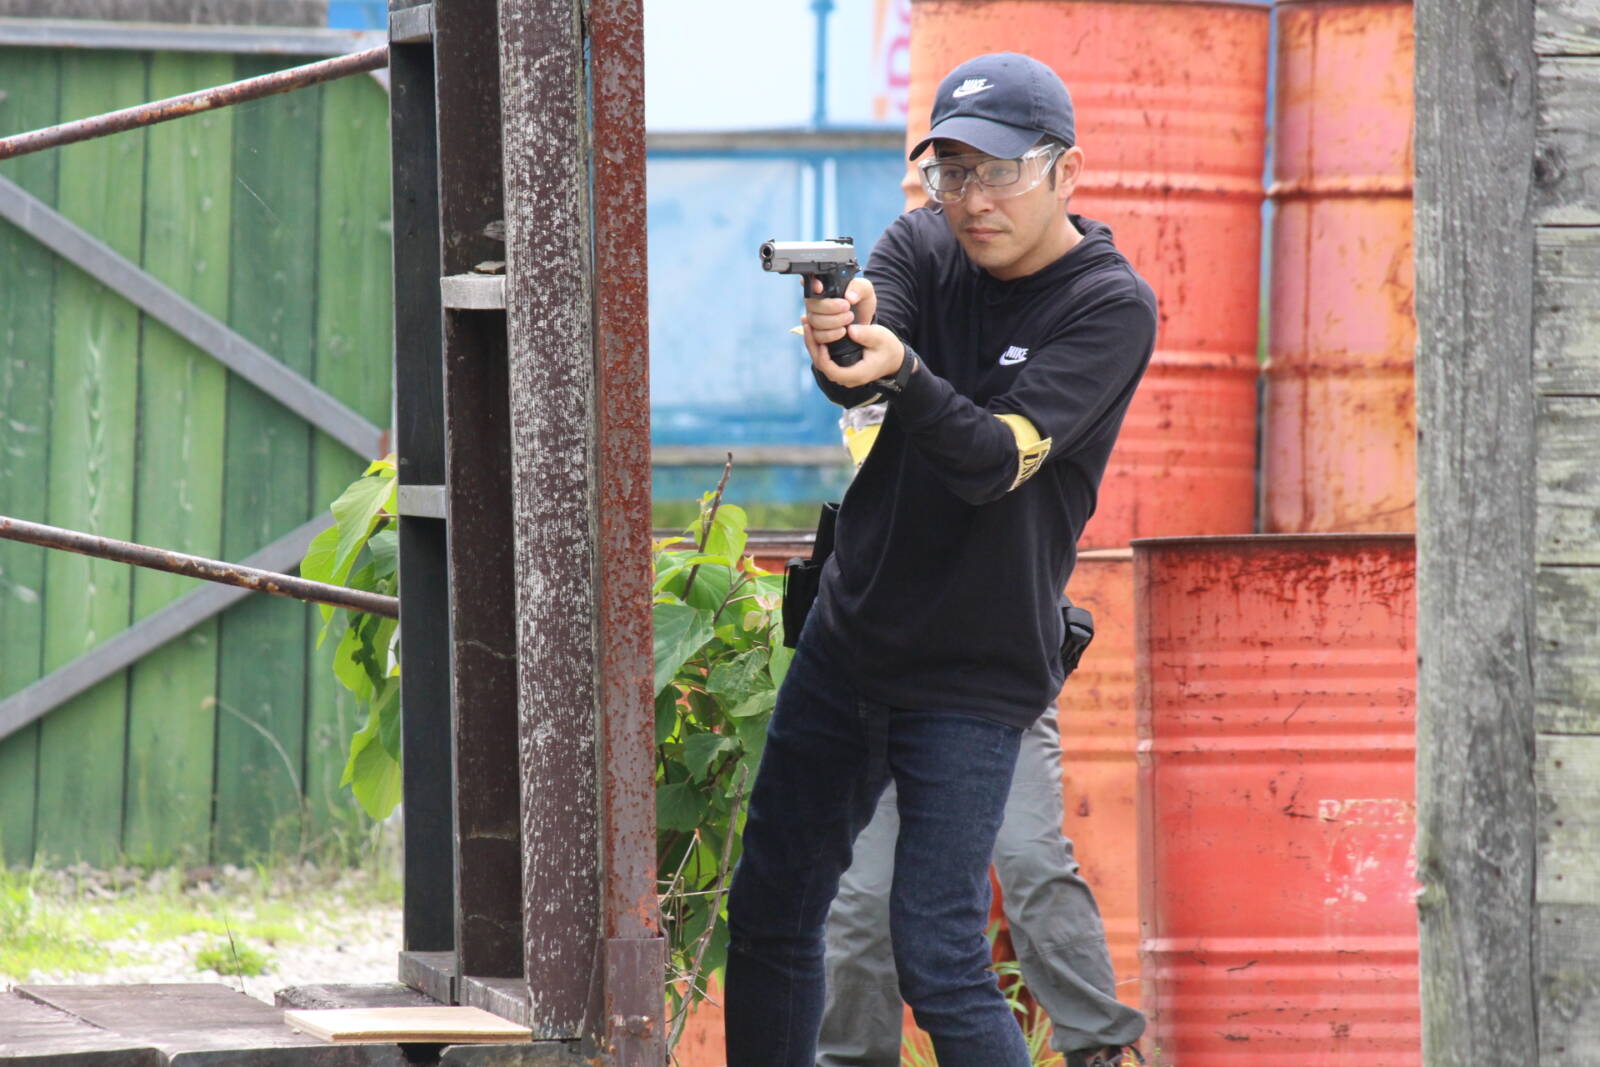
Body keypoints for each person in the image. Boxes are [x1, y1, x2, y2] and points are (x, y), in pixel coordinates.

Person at [723, 51, 1156, 1067]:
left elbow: (994, 460)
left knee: (939, 951)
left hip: (976, 668)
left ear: (1066, 171)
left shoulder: (1108, 306)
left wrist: (903, 373)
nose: (972, 198)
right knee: (773, 909)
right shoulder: (921, 240)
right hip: (850, 638)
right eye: (952, 172)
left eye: (999, 171)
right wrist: (843, 340)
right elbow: (864, 362)